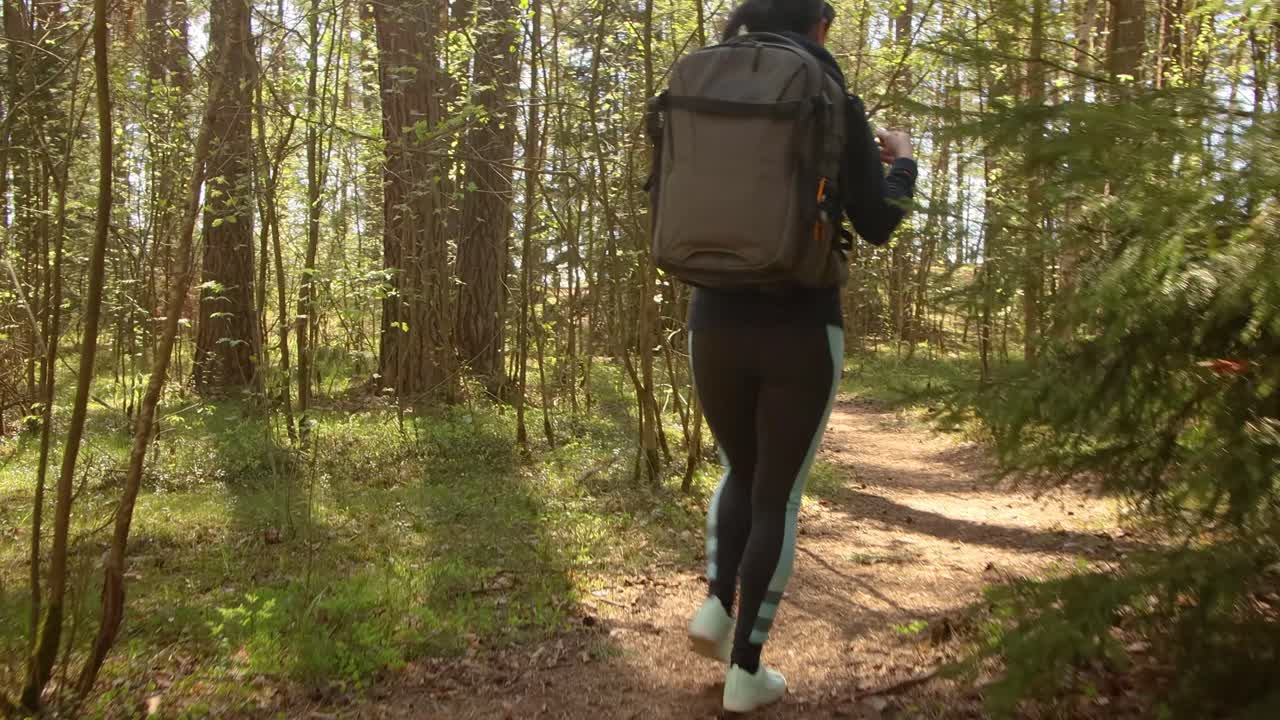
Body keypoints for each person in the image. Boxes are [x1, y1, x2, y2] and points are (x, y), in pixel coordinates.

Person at [683, 0, 918, 712]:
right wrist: (902, 164)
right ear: (818, 22)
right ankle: (746, 671)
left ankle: (716, 607)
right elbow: (875, 222)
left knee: (738, 470)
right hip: (800, 325)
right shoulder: (829, 90)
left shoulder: (710, 77)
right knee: (776, 495)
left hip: (710, 316)